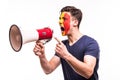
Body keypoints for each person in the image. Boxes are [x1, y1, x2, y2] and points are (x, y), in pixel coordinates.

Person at [33, 6, 100, 80]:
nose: (60, 22)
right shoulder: (63, 45)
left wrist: (66, 55)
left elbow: (88, 72)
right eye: (60, 19)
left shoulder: (90, 43)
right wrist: (42, 56)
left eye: (64, 19)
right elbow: (48, 70)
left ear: (75, 22)